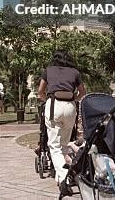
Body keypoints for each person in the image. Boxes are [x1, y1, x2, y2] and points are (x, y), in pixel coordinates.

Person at [38, 51, 86, 189]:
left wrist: (46, 100)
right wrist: (73, 99)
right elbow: (82, 92)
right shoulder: (75, 72)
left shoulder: (48, 70)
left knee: (54, 145)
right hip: (70, 108)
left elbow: (40, 90)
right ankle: (60, 177)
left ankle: (64, 176)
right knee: (64, 144)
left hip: (54, 105)